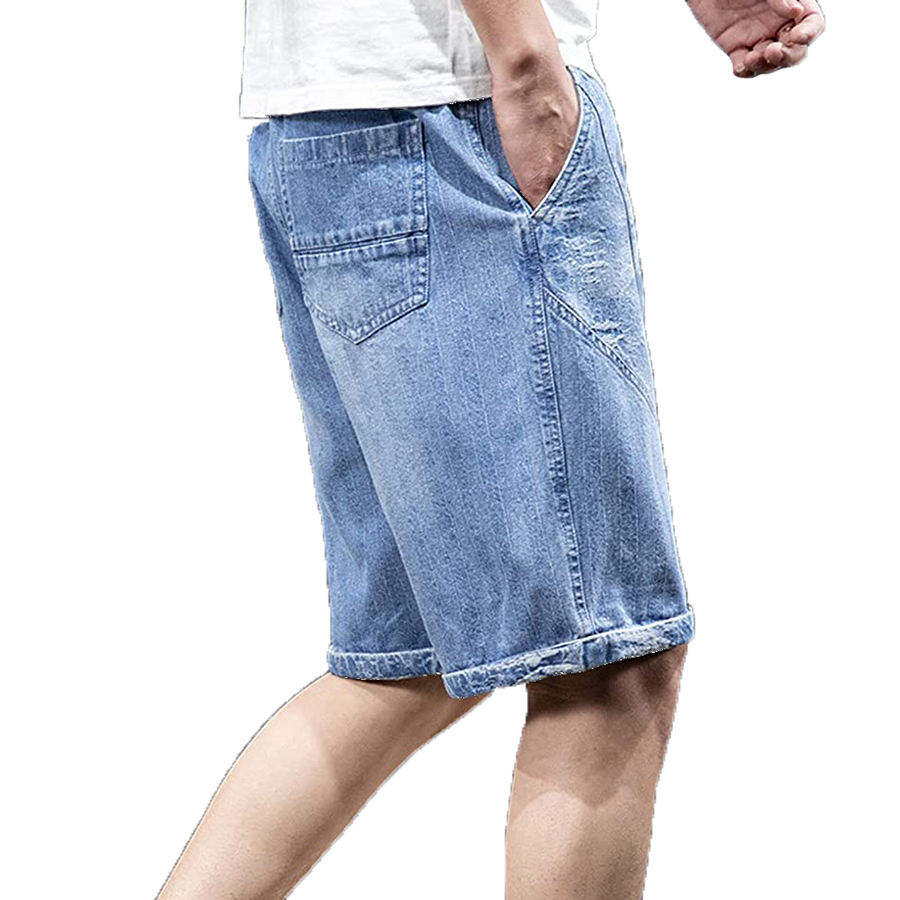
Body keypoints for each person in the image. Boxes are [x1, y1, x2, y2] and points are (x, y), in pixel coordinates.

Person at [160, 0, 824, 896]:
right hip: (457, 121)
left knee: (413, 664)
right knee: (605, 664)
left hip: (345, 131)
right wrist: (524, 58)